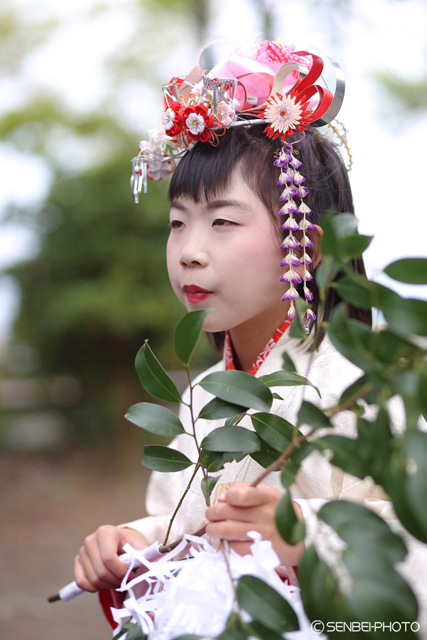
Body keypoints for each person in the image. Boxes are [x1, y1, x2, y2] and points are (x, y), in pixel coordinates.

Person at [73, 40, 425, 630]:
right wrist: (131, 545)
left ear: (304, 244)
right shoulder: (198, 397)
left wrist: (305, 539)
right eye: (178, 222)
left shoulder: (369, 384)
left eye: (223, 221)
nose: (189, 251)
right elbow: (183, 532)